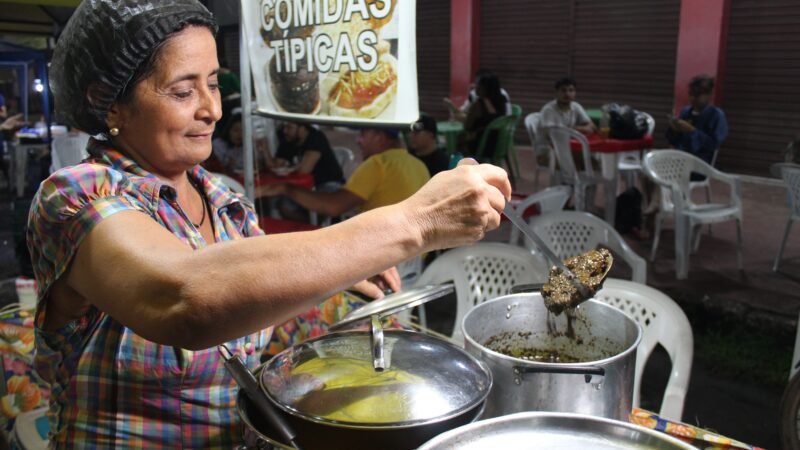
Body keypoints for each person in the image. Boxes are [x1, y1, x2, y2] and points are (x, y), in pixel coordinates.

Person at [28, 1, 511, 448]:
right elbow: (185, 298)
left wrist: (336, 275)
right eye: (182, 91)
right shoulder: (78, 196)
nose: (212, 109)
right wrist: (418, 220)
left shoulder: (224, 202)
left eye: (214, 83)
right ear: (109, 102)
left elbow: (253, 302)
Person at [259, 127, 431, 217]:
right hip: (413, 261)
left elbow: (333, 207)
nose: (358, 141)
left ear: (379, 136)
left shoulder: (378, 163)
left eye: (363, 134)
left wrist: (286, 189)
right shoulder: (419, 166)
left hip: (382, 260)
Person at [666, 74, 728, 166]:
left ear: (709, 95)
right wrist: (674, 130)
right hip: (680, 157)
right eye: (691, 94)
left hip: (700, 162)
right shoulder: (686, 112)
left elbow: (713, 145)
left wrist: (692, 131)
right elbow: (674, 141)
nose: (692, 98)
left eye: (697, 95)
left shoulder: (716, 115)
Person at [536, 77, 596, 154]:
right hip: (548, 151)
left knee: (592, 159)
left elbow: (591, 125)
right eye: (563, 90)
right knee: (587, 160)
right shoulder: (548, 110)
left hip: (567, 147)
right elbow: (555, 135)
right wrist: (580, 129)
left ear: (575, 93)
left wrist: (573, 129)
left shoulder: (575, 106)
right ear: (556, 92)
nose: (567, 94)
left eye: (571, 90)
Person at [462, 73, 508, 158]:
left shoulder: (478, 105)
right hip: (500, 145)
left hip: (481, 147)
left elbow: (467, 126)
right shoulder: (502, 101)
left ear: (484, 88)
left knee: (459, 140)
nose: (475, 86)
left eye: (478, 84)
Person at [444, 69, 512, 118]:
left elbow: (507, 117)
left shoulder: (502, 95)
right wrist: (452, 107)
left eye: (477, 83)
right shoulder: (474, 95)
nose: (473, 85)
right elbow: (463, 111)